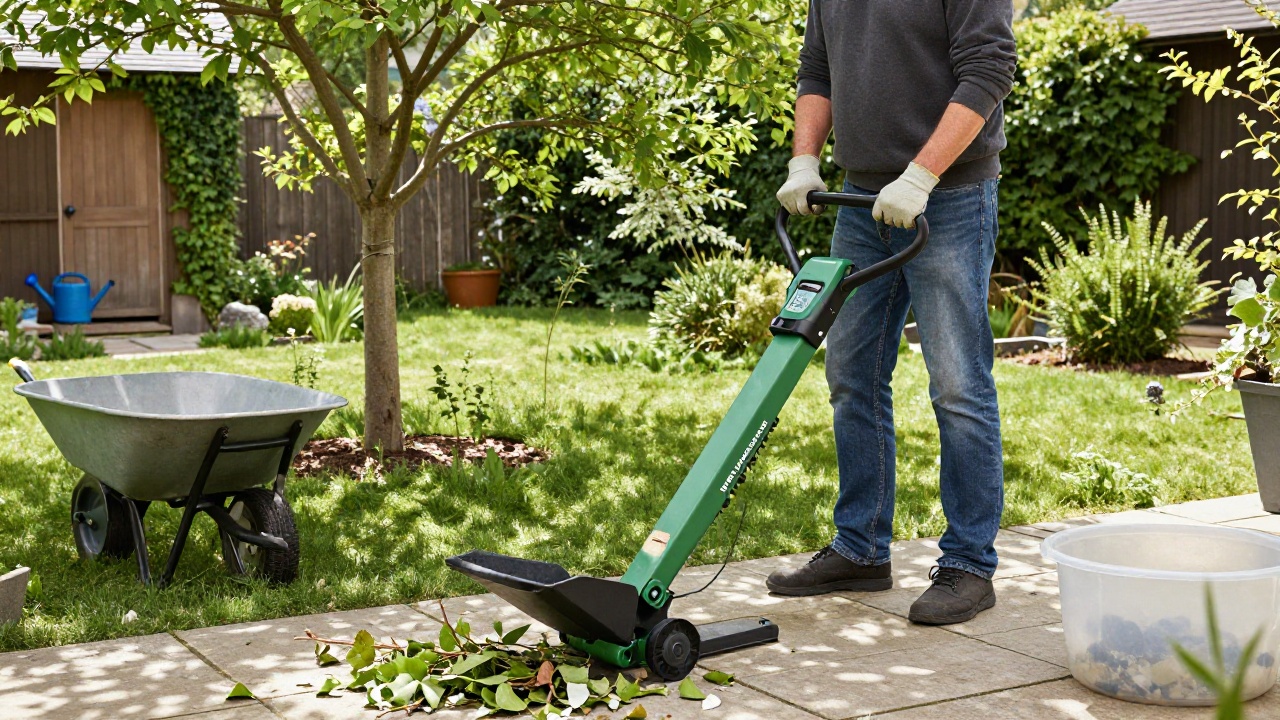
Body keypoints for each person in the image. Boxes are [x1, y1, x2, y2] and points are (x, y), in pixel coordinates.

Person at [767, 1, 1016, 625]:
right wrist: (805, 159)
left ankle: (968, 564)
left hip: (950, 197)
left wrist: (921, 175)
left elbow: (989, 66)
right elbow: (818, 70)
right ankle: (861, 547)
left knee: (958, 384)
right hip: (859, 203)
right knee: (850, 375)